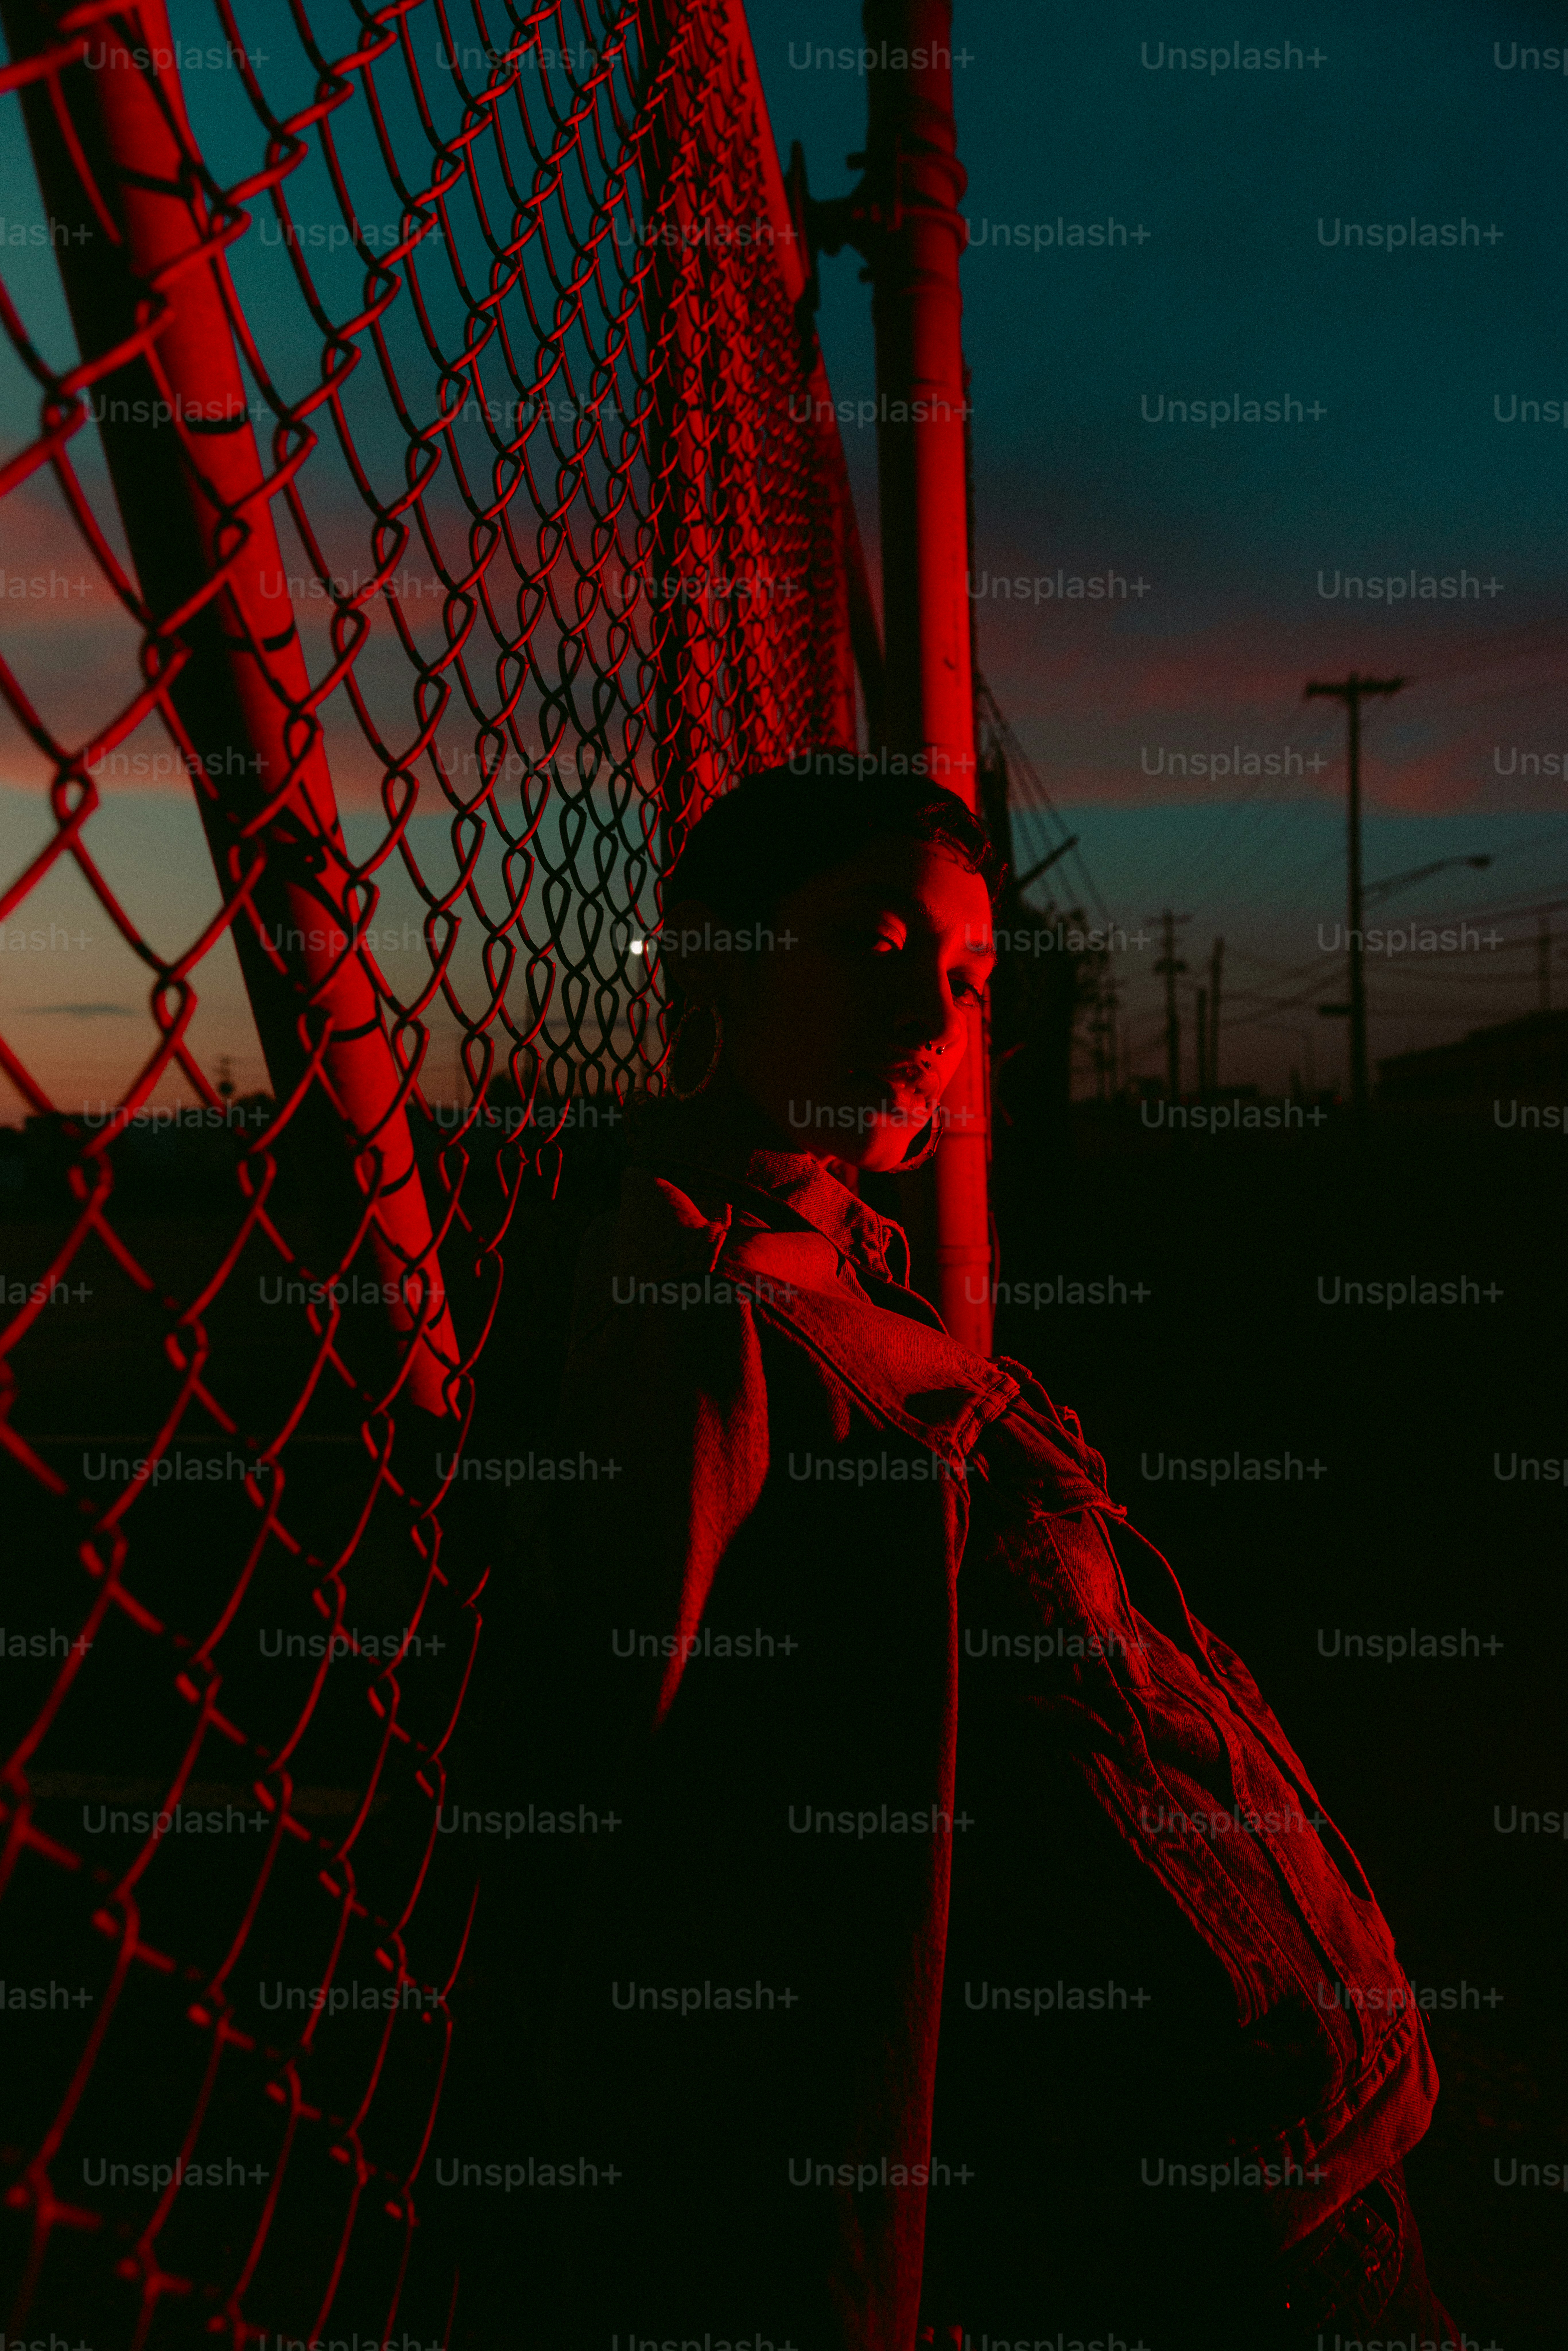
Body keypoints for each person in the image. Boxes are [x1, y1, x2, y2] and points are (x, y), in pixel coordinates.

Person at [521, 763, 1467, 2350]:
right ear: (712, 962)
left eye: (962, 978)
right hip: (1183, 2199)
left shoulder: (847, 1275)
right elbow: (683, 1872)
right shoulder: (714, 1330)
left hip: (1281, 2118)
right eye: (865, 945)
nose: (930, 1019)